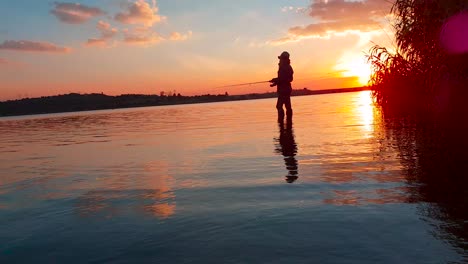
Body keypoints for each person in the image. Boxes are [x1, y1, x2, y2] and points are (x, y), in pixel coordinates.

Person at [270, 51, 294, 121]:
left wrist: (275, 80)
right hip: (286, 89)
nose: (280, 60)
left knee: (279, 106)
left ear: (284, 59)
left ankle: (281, 122)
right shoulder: (287, 67)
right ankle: (288, 123)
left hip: (284, 90)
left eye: (281, 58)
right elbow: (283, 79)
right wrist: (275, 83)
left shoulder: (285, 67)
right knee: (287, 106)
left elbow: (284, 79)